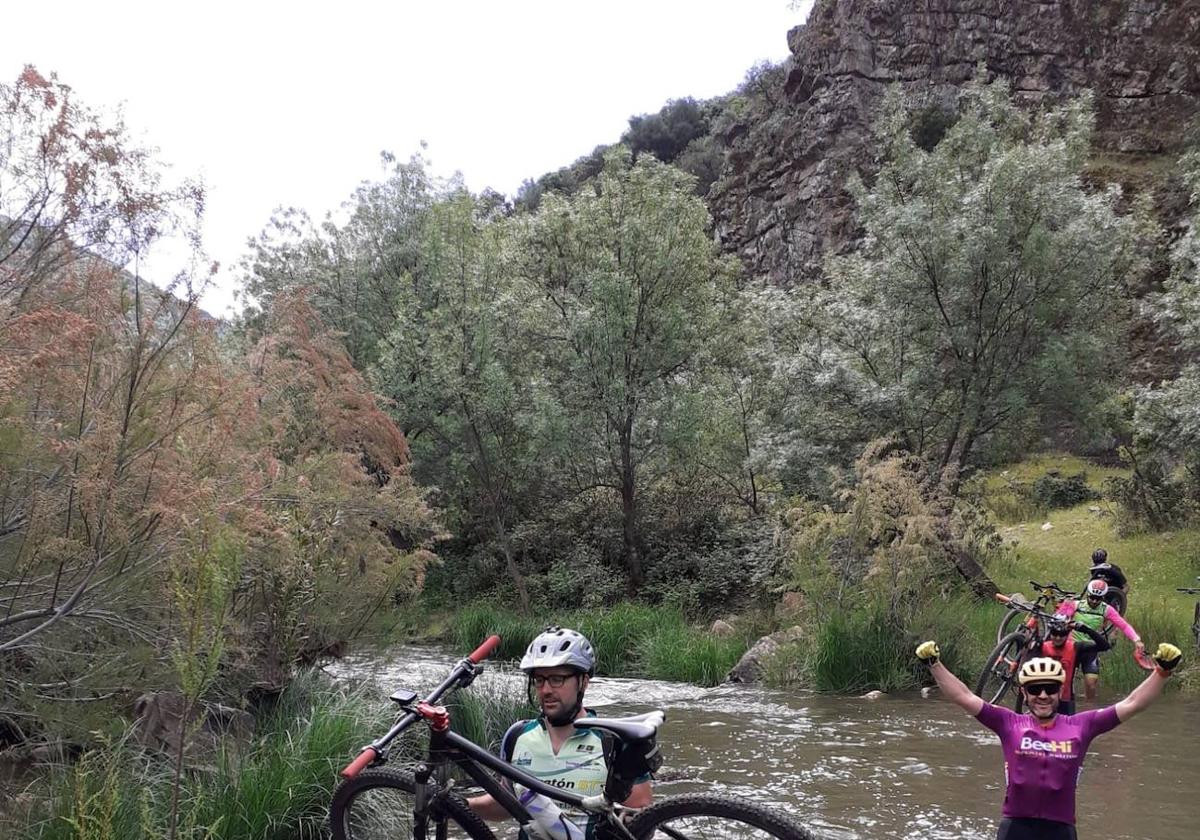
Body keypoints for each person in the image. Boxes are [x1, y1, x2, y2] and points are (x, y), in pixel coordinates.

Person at [916, 639, 1182, 840]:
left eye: (1050, 688)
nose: (1043, 695)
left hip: (1061, 829)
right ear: (1025, 693)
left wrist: (1161, 672)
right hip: (1015, 827)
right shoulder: (1009, 723)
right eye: (1035, 689)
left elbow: (1133, 704)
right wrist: (934, 665)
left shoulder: (1083, 725)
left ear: (1060, 691)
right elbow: (964, 696)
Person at [467, 627, 653, 835]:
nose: (546, 690)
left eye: (557, 679)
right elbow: (503, 805)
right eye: (539, 680)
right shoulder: (517, 736)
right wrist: (455, 804)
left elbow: (644, 821)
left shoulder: (611, 740)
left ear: (583, 682)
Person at [1055, 579, 1143, 700]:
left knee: (1091, 684)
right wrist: (1065, 615)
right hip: (1072, 647)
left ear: (1103, 598)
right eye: (1092, 597)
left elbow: (1123, 625)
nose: (1094, 601)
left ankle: (1089, 709)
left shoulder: (1106, 610)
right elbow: (1060, 619)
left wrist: (1136, 640)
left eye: (1098, 598)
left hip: (1091, 648)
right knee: (1065, 684)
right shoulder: (1075, 605)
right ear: (1088, 595)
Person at [1039, 615, 1109, 715]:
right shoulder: (1042, 646)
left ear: (1067, 634)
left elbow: (1105, 646)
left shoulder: (1075, 647)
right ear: (1050, 633)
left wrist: (1085, 629)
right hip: (1043, 697)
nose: (1058, 638)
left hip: (1065, 700)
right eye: (1055, 634)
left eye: (1062, 634)